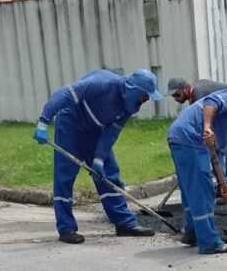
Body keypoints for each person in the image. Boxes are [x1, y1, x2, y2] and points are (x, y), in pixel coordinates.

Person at [32, 69, 163, 244]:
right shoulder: (102, 84)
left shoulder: (128, 106)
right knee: (64, 177)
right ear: (133, 89)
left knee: (109, 174)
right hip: (70, 126)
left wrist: (99, 159)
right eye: (145, 96)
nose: (146, 101)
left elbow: (111, 133)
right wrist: (43, 121)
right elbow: (64, 94)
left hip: (95, 131)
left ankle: (124, 223)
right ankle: (66, 228)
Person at [167, 89, 227, 254]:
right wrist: (207, 127)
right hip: (191, 138)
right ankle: (209, 243)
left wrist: (223, 184)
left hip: (180, 137)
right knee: (202, 191)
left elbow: (217, 157)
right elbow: (210, 102)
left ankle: (192, 233)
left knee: (191, 189)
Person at [168, 77, 227, 202]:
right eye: (173, 96)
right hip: (223, 113)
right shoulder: (194, 96)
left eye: (177, 94)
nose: (176, 98)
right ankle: (223, 186)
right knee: (216, 149)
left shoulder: (200, 95)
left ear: (186, 89)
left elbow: (206, 120)